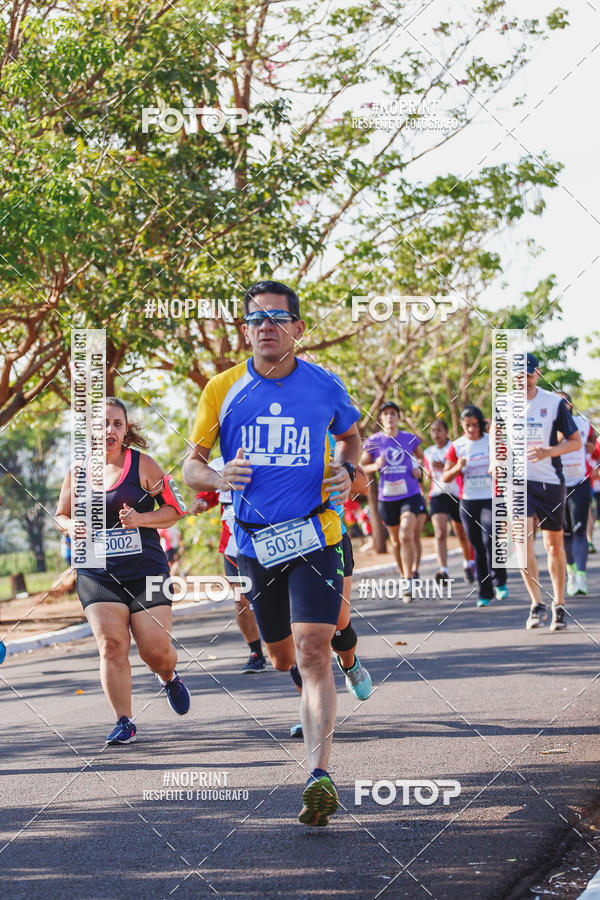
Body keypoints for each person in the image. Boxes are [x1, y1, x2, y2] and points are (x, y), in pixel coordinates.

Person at [182, 280, 361, 827]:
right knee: (283, 657)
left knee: (311, 651)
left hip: (316, 532)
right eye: (255, 319)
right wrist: (214, 475)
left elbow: (353, 438)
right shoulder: (222, 388)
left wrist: (349, 471)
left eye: (277, 318)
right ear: (245, 329)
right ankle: (343, 643)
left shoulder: (325, 386)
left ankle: (319, 777)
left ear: (298, 329)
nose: (265, 326)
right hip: (254, 542)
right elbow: (189, 465)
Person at [55, 397, 190, 745]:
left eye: (117, 423)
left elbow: (175, 509)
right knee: (111, 645)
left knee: (154, 650)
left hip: (146, 570)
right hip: (97, 573)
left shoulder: (143, 465)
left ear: (126, 428)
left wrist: (141, 519)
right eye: (103, 424)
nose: (110, 430)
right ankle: (124, 720)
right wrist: (69, 527)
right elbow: (60, 514)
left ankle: (168, 676)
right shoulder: (78, 471)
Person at [290, 440, 373, 738]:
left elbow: (364, 485)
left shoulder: (327, 444)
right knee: (297, 636)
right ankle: (310, 709)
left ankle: (349, 664)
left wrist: (347, 473)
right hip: (285, 547)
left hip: (330, 540)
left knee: (339, 626)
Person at [511, 354, 581, 631]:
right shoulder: (504, 404)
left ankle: (559, 604)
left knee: (553, 546)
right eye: (518, 375)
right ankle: (536, 603)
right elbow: (495, 433)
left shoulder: (553, 404)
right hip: (518, 483)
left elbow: (574, 442)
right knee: (522, 544)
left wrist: (548, 452)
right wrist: (495, 460)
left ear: (538, 374)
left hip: (550, 482)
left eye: (528, 374)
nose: (524, 380)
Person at [190, 457, 267, 673]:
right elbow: (207, 496)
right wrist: (201, 503)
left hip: (267, 540)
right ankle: (256, 653)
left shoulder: (267, 454)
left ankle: (294, 647)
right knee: (241, 600)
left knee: (278, 596)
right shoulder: (216, 465)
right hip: (233, 546)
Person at [360, 401, 426, 602]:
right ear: (381, 418)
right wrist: (375, 466)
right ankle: (404, 574)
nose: (389, 417)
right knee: (396, 541)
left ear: (398, 417)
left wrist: (419, 469)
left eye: (393, 413)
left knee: (407, 535)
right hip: (387, 497)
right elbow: (361, 466)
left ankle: (408, 579)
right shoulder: (374, 441)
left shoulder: (409, 438)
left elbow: (421, 459)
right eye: (386, 414)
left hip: (410, 494)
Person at [444, 405, 508, 607]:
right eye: (467, 425)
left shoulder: (491, 441)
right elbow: (445, 477)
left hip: (491, 497)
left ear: (480, 423)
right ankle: (484, 591)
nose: (471, 429)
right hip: (469, 500)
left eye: (474, 424)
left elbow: (508, 465)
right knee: (477, 547)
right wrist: (457, 467)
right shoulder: (457, 446)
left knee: (490, 537)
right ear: (462, 426)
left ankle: (499, 581)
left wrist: (497, 468)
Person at [423, 419, 474, 583]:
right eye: (433, 431)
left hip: (456, 494)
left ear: (446, 432)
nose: (436, 434)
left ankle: (468, 563)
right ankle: (443, 570)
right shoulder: (428, 452)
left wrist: (445, 464)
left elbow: (463, 468)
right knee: (440, 533)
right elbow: (427, 473)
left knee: (461, 533)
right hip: (437, 494)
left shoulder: (455, 447)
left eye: (439, 430)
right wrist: (428, 474)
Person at [556, 393, 594, 596]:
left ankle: (581, 575)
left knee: (579, 529)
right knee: (564, 532)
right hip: (557, 485)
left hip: (580, 482)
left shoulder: (584, 423)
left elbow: (594, 447)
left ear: (570, 405)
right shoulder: (548, 424)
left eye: (564, 402)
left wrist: (590, 447)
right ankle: (570, 572)